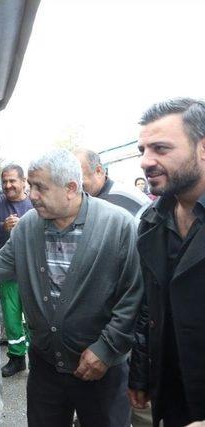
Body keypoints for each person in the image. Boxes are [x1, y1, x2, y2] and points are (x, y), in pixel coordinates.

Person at [0, 149, 143, 427]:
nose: (31, 194)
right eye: (31, 185)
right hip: (47, 366)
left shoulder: (119, 225)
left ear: (71, 188)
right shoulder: (27, 228)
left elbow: (134, 295)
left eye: (40, 187)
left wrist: (107, 349)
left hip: (99, 368)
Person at [128, 98, 205, 426]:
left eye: (160, 148)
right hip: (170, 396)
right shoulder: (151, 221)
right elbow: (150, 307)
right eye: (142, 150)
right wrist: (141, 374)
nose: (146, 161)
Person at [0, 164, 33, 377]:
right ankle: (17, 358)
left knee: (36, 317)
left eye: (12, 181)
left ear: (23, 181)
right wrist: (2, 227)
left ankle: (38, 359)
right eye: (4, 181)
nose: (8, 185)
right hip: (7, 271)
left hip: (32, 271)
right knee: (11, 317)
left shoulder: (34, 203)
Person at [74, 148, 150, 218]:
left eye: (78, 177)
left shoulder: (120, 199)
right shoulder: (95, 198)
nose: (74, 187)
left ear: (98, 171)